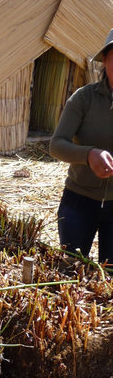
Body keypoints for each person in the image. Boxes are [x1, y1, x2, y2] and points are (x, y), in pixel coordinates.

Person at [49, 28, 113, 265]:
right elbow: (56, 145)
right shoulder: (84, 98)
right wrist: (89, 155)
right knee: (71, 268)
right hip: (79, 199)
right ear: (105, 60)